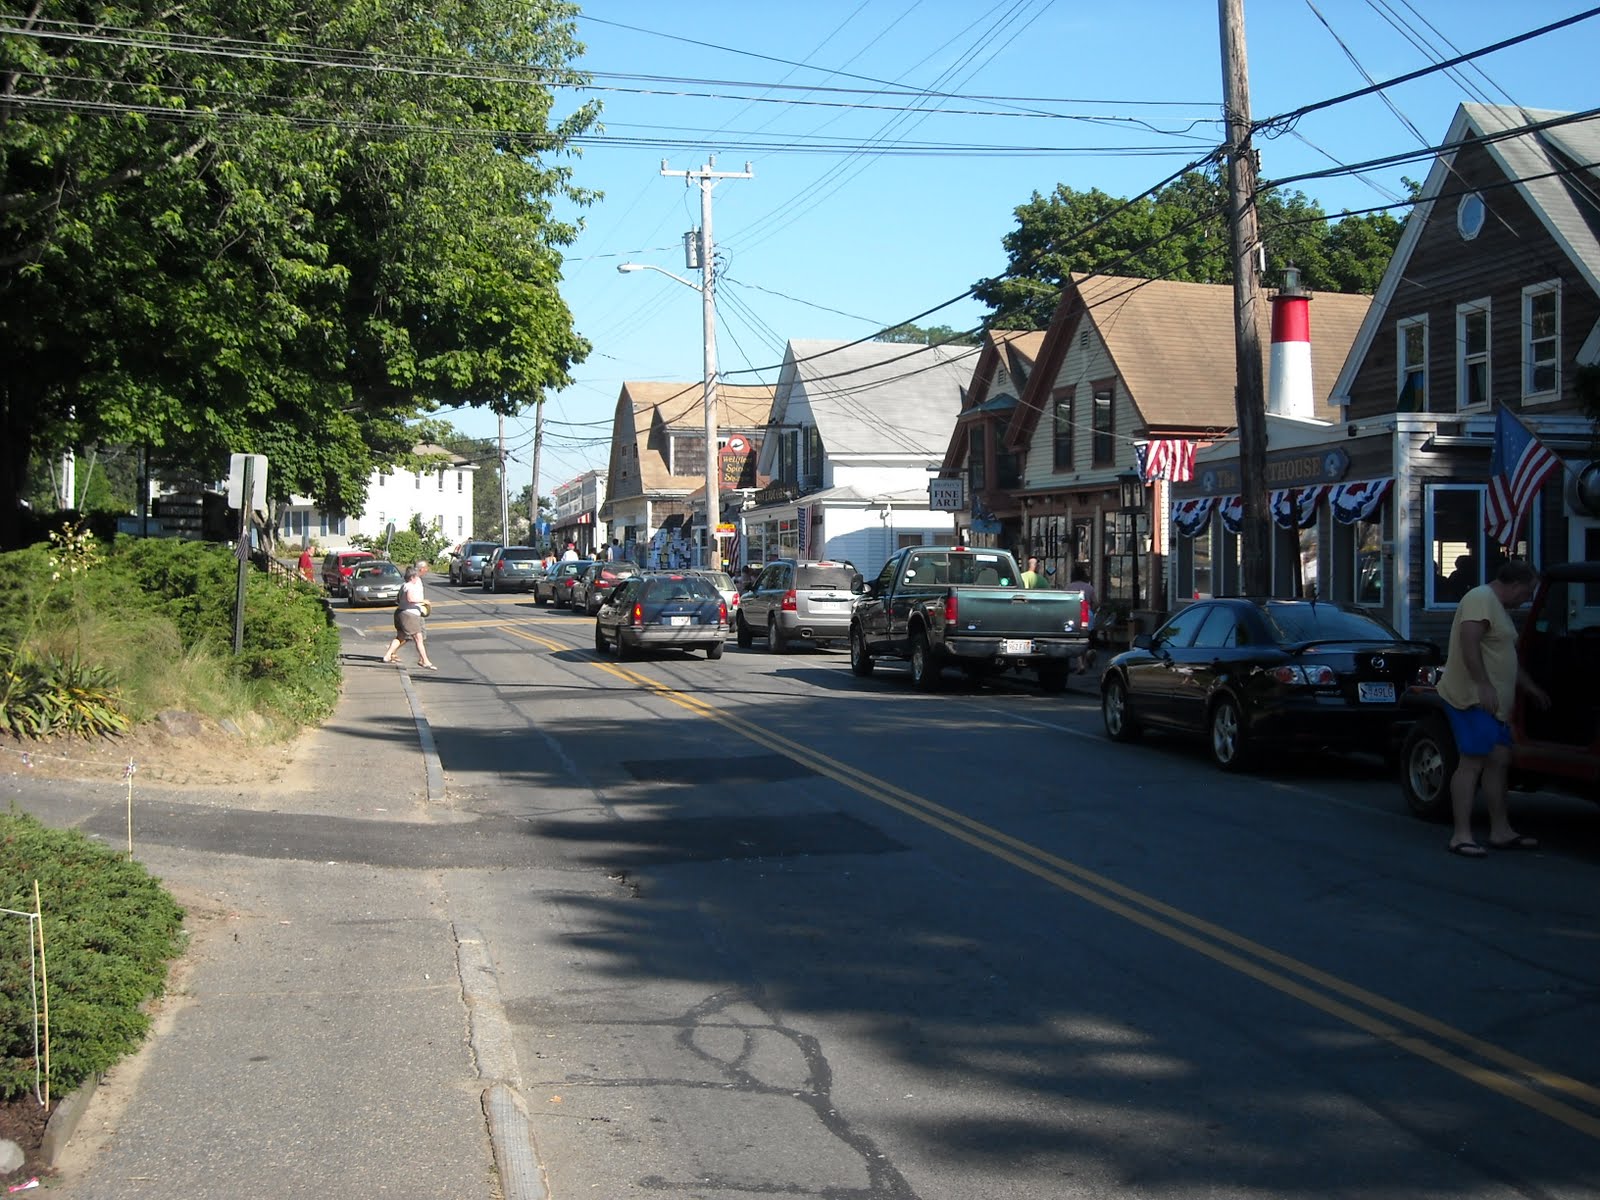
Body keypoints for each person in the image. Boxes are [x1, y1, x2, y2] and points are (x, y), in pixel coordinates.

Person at [1436, 559, 1548, 857]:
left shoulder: (1499, 610)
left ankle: (1501, 831)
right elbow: (1469, 641)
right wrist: (1483, 684)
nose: (1529, 598)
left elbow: (1504, 655)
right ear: (1515, 585)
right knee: (1471, 762)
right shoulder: (1480, 599)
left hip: (1494, 706)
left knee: (1498, 761)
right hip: (1472, 699)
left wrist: (1529, 687)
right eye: (1528, 591)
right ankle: (1461, 835)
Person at [382, 564, 437, 670]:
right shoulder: (410, 586)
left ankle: (388, 655)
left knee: (401, 637)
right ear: (412, 577)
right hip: (409, 615)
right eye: (416, 576)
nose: (417, 578)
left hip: (400, 612)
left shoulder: (403, 585)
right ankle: (425, 661)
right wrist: (423, 601)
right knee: (418, 638)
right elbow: (410, 599)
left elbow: (398, 599)